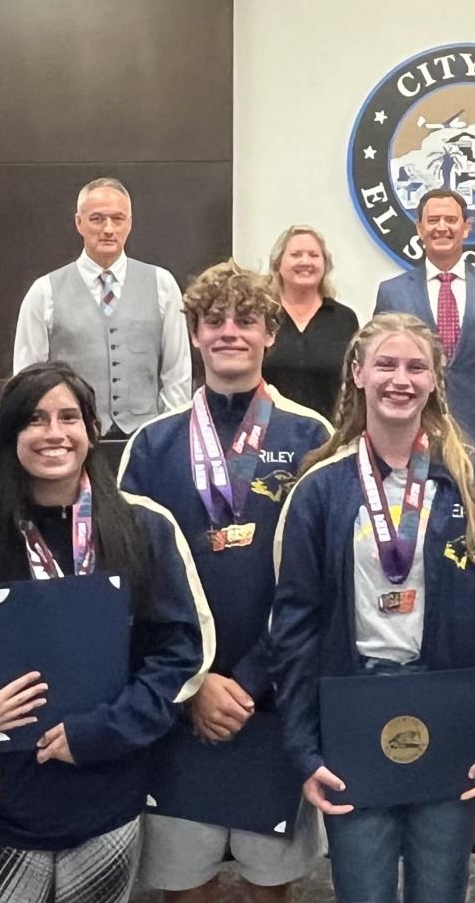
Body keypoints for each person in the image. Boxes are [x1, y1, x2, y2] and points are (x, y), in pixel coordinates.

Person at [0, 362, 214, 903]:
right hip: (5, 803)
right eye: (34, 419)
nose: (54, 433)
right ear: (10, 436)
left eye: (68, 417)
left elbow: (178, 656)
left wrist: (106, 731)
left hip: (107, 793)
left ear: (91, 430)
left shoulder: (145, 530)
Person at [267, 313, 475, 903]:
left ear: (434, 380)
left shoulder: (474, 480)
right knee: (363, 890)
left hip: (450, 706)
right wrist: (303, 747)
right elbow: (295, 627)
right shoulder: (321, 488)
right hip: (352, 710)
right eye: (385, 364)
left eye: (415, 366)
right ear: (357, 373)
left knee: (440, 889)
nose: (399, 379)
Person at [117, 261, 330, 902]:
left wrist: (250, 680)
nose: (229, 333)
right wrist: (192, 685)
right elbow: (131, 587)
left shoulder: (312, 438)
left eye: (246, 320)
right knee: (187, 889)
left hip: (274, 699)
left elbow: (320, 584)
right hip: (183, 705)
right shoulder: (150, 447)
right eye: (214, 321)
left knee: (272, 889)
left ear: (270, 332)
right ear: (195, 334)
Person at [373, 187, 475, 484]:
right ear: (419, 228)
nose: (442, 227)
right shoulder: (392, 293)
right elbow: (379, 370)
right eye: (433, 220)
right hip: (412, 438)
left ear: (466, 228)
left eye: (450, 219)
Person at [13, 178, 194, 438]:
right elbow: (27, 379)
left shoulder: (161, 284)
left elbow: (177, 372)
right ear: (79, 223)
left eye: (118, 219)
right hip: (72, 437)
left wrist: (167, 435)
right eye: (97, 219)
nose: (108, 229)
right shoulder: (44, 291)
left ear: (129, 223)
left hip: (146, 437)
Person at [260, 225, 360, 419]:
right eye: (296, 254)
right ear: (278, 264)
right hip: (265, 436)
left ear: (325, 265)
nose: (305, 261)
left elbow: (354, 386)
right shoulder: (261, 314)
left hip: (327, 437)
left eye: (314, 255)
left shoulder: (344, 319)